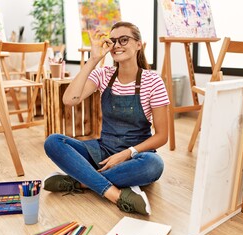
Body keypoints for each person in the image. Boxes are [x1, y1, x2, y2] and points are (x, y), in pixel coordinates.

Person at [43, 21, 169, 215]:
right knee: (53, 142)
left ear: (138, 44)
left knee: (155, 165)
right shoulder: (104, 75)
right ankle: (116, 195)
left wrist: (127, 153)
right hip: (102, 153)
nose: (117, 45)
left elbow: (162, 136)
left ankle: (81, 181)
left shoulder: (153, 81)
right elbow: (69, 99)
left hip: (136, 156)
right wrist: (93, 59)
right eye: (113, 41)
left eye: (124, 40)